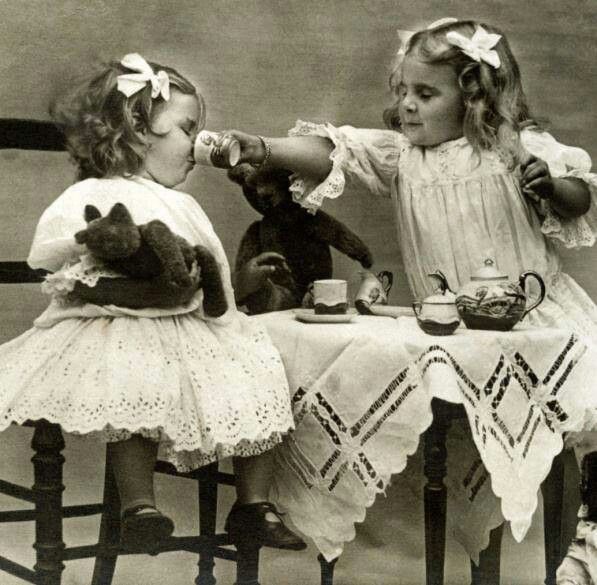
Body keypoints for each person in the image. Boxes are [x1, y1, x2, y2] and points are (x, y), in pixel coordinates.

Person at [223, 17, 597, 580]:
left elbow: (579, 197)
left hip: (535, 320)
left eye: (425, 93)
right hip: (451, 327)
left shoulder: (513, 151)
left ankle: (578, 552)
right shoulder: (401, 156)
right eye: (402, 91)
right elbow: (335, 151)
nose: (407, 105)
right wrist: (266, 148)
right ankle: (491, 563)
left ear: (474, 98)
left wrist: (552, 185)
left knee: (576, 430)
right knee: (471, 444)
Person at [0, 53, 305, 552]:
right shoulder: (94, 195)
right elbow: (72, 270)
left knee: (260, 365)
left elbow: (207, 284)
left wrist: (241, 284)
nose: (198, 147)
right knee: (135, 375)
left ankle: (252, 504)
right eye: (187, 130)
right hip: (116, 323)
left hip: (187, 329)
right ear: (140, 130)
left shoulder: (184, 205)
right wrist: (129, 289)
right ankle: (139, 506)